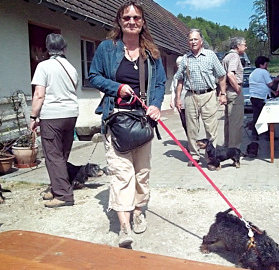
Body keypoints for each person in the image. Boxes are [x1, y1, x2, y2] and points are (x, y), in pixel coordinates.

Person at [88, 0, 166, 247]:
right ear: (119, 22)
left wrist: (155, 105)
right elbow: (94, 76)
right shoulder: (106, 48)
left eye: (136, 18)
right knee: (122, 174)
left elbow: (160, 83)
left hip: (143, 122)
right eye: (126, 18)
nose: (131, 22)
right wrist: (117, 87)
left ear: (143, 22)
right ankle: (124, 227)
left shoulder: (152, 52)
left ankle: (139, 211)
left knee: (142, 173)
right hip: (117, 119)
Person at [30, 33, 79, 208]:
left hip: (52, 116)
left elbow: (39, 94)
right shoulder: (71, 68)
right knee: (62, 154)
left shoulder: (43, 66)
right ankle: (57, 187)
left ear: (47, 49)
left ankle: (64, 195)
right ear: (64, 48)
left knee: (53, 156)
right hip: (71, 114)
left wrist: (33, 117)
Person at [175, 29, 226, 167]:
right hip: (191, 96)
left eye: (195, 39)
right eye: (190, 40)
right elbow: (179, 79)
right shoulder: (185, 58)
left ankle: (211, 157)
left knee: (211, 129)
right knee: (192, 128)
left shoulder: (210, 56)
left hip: (209, 95)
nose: (193, 42)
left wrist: (223, 94)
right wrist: (177, 98)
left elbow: (221, 75)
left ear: (201, 41)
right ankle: (194, 156)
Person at [222, 37, 247, 149]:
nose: (246, 47)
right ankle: (234, 149)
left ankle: (228, 146)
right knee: (236, 123)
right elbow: (230, 74)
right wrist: (238, 88)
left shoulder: (226, 56)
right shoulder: (234, 56)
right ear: (238, 46)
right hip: (234, 91)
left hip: (228, 90)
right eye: (244, 45)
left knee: (229, 122)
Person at [249, 56, 278, 140]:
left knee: (256, 116)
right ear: (261, 64)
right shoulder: (263, 72)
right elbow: (270, 84)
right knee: (266, 116)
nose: (266, 66)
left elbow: (263, 85)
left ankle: (255, 134)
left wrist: (273, 93)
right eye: (266, 64)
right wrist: (276, 80)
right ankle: (268, 135)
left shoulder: (253, 73)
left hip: (253, 96)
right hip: (261, 97)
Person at [170, 56, 187, 136]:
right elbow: (173, 89)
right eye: (177, 64)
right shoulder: (175, 76)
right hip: (180, 103)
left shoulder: (189, 74)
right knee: (184, 122)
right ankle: (190, 140)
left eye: (180, 64)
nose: (179, 66)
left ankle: (194, 141)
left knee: (192, 123)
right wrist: (172, 101)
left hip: (189, 101)